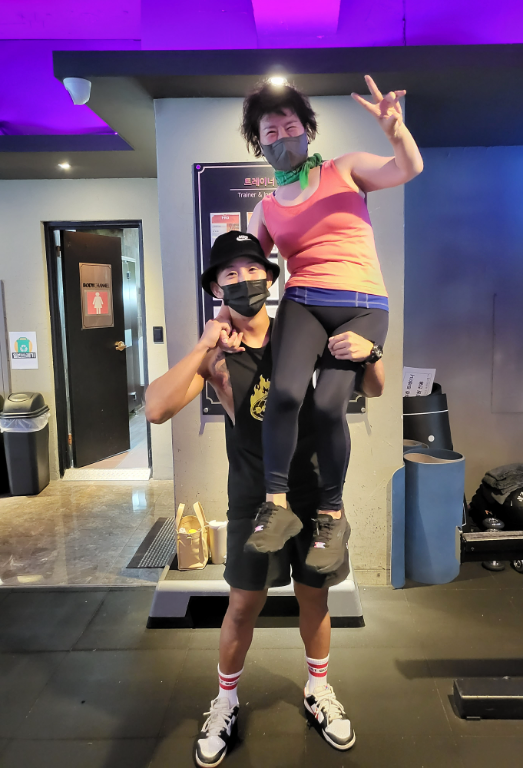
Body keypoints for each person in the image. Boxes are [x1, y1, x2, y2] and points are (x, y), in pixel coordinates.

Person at [145, 230, 385, 767]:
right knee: (242, 605)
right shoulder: (219, 356)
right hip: (255, 497)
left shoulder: (304, 334)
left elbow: (373, 387)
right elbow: (156, 409)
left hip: (314, 494)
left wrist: (371, 352)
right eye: (230, 273)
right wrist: (203, 345)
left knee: (314, 598)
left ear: (271, 278)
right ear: (216, 287)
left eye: (253, 269)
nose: (244, 280)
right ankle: (225, 700)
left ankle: (318, 690)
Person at [242, 75, 423, 573]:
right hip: (303, 300)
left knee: (327, 407)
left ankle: (331, 515)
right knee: (284, 395)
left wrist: (395, 131)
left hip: (363, 305)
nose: (282, 138)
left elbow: (408, 168)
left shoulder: (344, 169)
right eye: (270, 133)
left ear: (307, 129)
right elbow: (247, 269)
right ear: (259, 143)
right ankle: (276, 507)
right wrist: (221, 320)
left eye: (290, 127)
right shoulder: (267, 208)